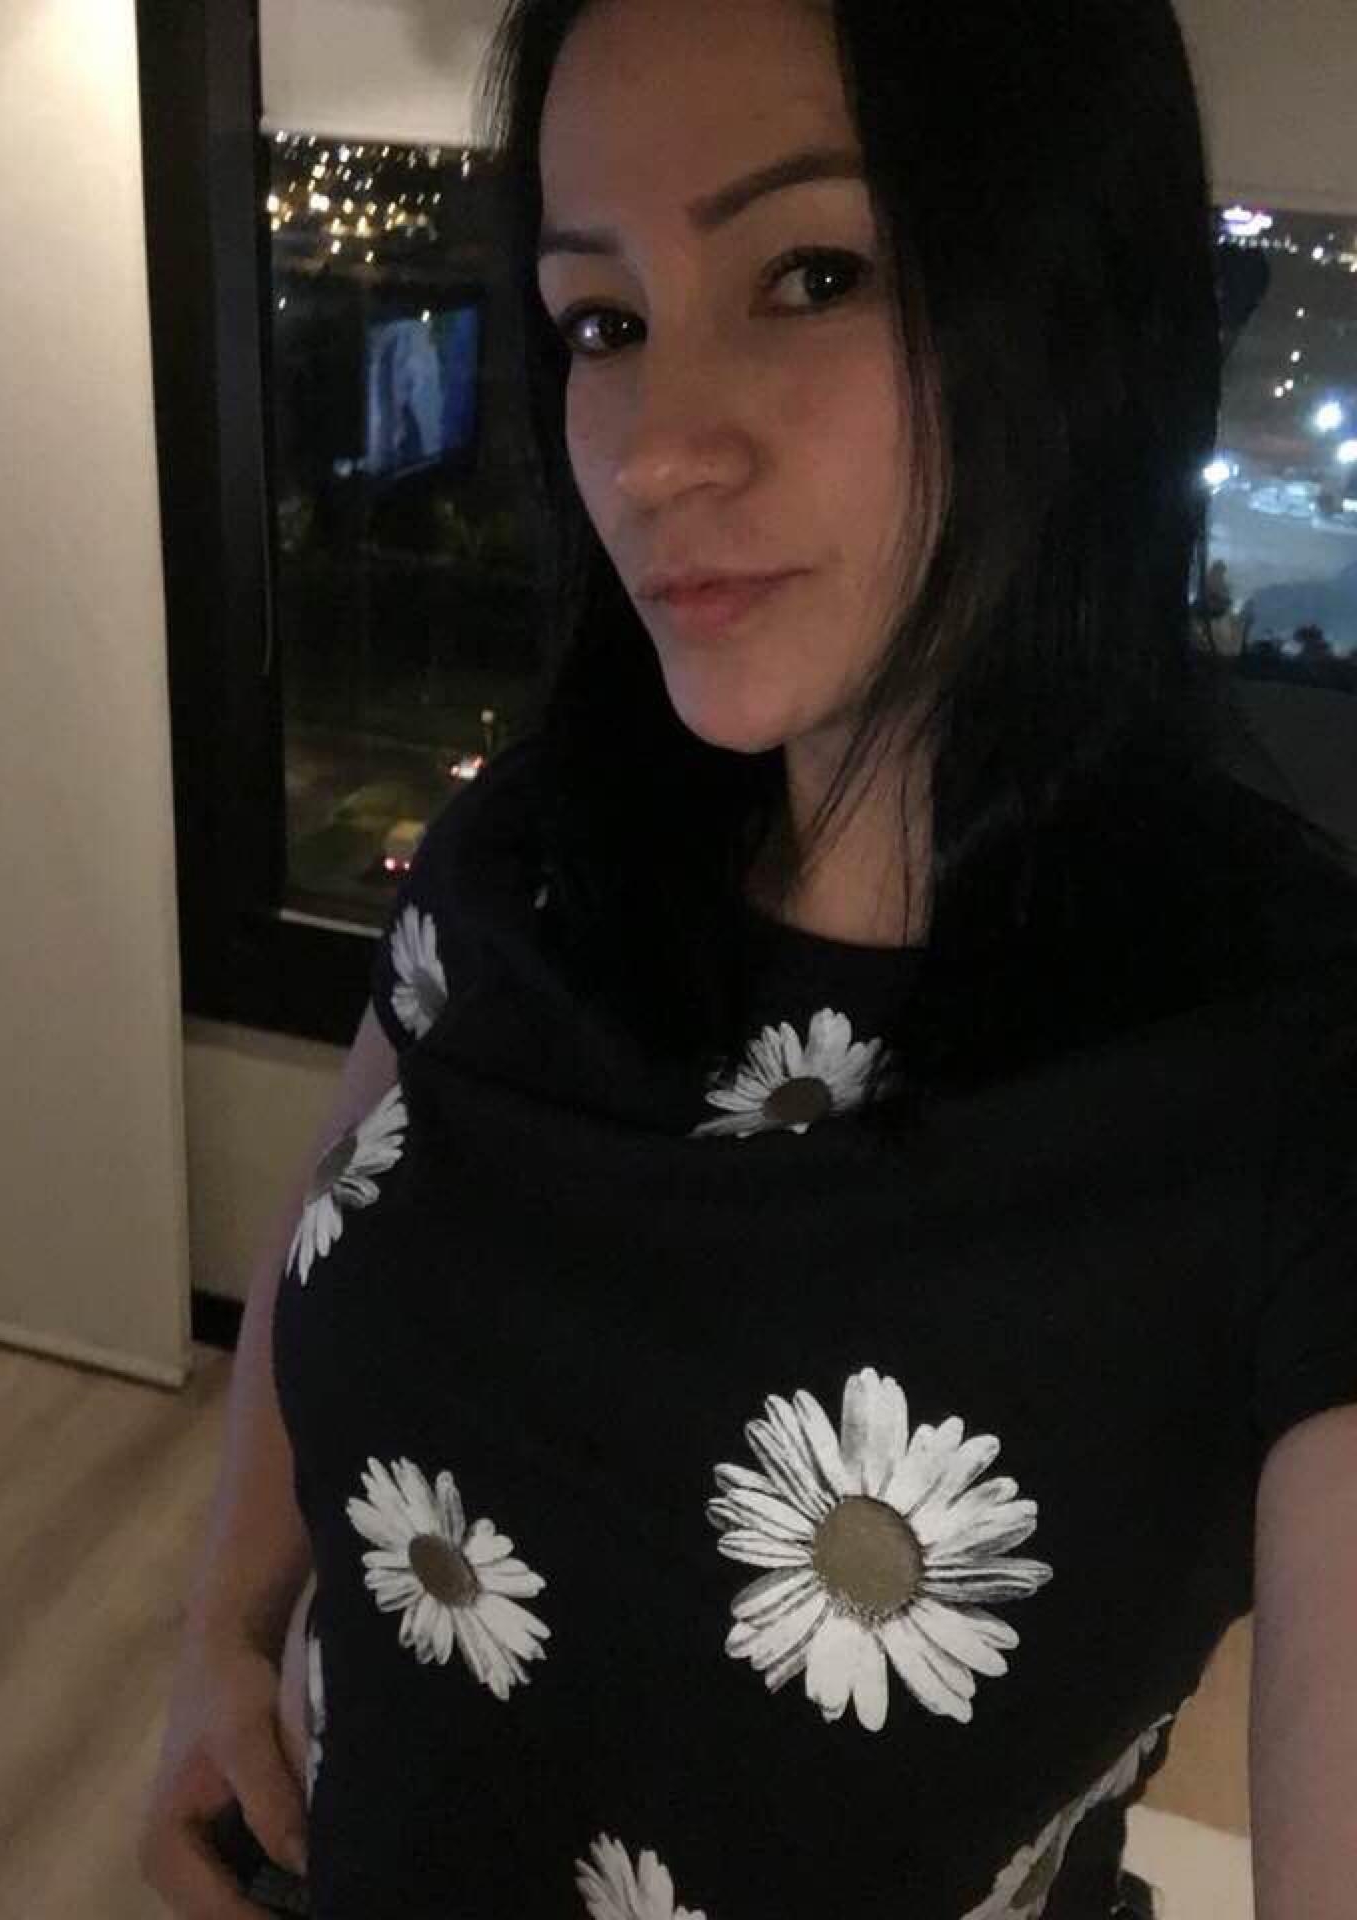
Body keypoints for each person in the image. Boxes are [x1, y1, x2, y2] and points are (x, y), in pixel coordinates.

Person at [139, 0, 1357, 1916]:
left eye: (812, 274)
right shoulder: (527, 860)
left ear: (1071, 310)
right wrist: (224, 1622)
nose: (654, 456)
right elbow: (346, 1212)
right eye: (601, 323)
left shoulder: (1286, 1066)